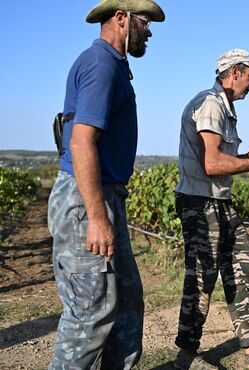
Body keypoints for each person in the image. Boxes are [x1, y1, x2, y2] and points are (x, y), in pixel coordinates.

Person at [47, 1, 165, 369]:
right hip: (87, 201)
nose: (149, 30)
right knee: (90, 313)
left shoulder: (113, 66)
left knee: (127, 306)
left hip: (104, 197)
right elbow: (80, 141)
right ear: (121, 19)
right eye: (145, 22)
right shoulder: (100, 65)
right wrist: (97, 218)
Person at [173, 49, 249, 370]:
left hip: (218, 201)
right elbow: (212, 164)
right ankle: (185, 357)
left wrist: (246, 154)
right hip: (201, 203)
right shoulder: (211, 104)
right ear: (235, 72)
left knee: (245, 268)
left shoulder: (224, 107)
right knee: (202, 278)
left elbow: (218, 159)